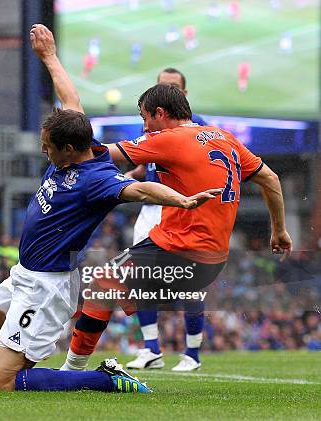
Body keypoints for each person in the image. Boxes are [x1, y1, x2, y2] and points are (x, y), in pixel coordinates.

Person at [0, 24, 221, 393]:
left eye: (49, 147)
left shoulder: (97, 181)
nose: (45, 151)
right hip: (26, 271)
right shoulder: (76, 135)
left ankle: (104, 380)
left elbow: (140, 189)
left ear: (69, 150)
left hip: (47, 287)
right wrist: (49, 56)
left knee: (3, 381)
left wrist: (183, 200)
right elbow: (70, 97)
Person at [60, 87, 292, 374]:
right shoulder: (224, 137)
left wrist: (66, 143)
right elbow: (270, 178)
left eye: (146, 118)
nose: (145, 127)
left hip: (179, 251)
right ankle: (165, 351)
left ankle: (73, 369)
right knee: (116, 285)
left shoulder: (170, 140)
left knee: (101, 284)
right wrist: (279, 231)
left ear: (161, 113)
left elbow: (100, 153)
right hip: (212, 259)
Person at [120, 68, 211, 372]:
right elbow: (148, 167)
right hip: (150, 209)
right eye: (160, 87)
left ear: (184, 94)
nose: (165, 92)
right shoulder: (153, 127)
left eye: (172, 87)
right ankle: (151, 350)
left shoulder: (200, 129)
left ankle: (193, 354)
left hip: (184, 208)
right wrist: (131, 176)